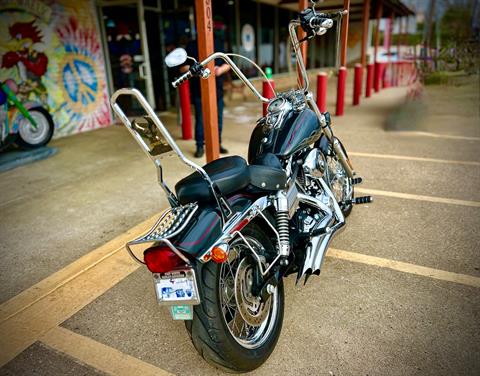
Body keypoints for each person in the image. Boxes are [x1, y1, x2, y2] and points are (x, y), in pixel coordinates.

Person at [183, 24, 230, 158]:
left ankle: (218, 144)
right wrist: (194, 70)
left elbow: (228, 64)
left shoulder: (218, 43)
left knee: (218, 119)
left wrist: (220, 70)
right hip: (199, 91)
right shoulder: (192, 45)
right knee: (200, 120)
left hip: (217, 91)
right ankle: (199, 146)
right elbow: (183, 68)